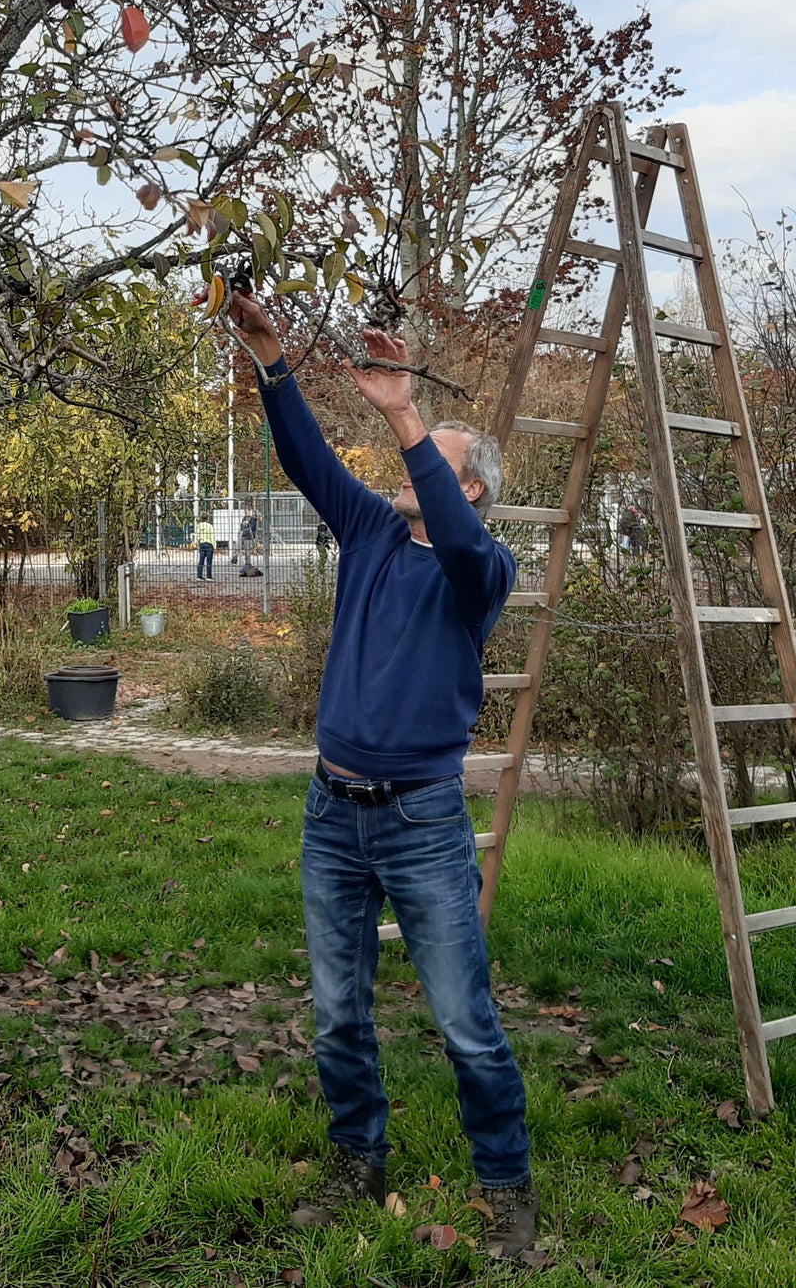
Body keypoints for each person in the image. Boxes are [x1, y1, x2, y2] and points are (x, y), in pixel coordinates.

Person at [227, 289, 537, 1257]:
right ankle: (357, 1159)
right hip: (332, 813)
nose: (404, 466)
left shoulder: (478, 567)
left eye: (427, 454)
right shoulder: (364, 532)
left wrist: (404, 408)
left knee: (462, 1019)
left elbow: (449, 524)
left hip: (420, 822)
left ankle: (504, 1186)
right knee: (335, 1014)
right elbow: (305, 458)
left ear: (468, 487)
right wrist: (271, 357)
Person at [195, 516, 216, 580]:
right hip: (209, 543)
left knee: (201, 560)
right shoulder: (210, 526)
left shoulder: (199, 526)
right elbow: (212, 536)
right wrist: (214, 545)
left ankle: (199, 576)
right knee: (209, 561)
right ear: (208, 518)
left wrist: (198, 543)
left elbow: (198, 536)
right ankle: (208, 576)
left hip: (202, 543)